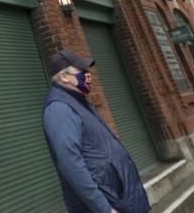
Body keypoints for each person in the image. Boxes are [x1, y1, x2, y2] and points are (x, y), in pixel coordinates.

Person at [42, 49, 150, 213]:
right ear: (64, 77)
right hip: (110, 204)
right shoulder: (59, 109)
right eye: (82, 71)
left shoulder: (78, 102)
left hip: (123, 200)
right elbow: (70, 164)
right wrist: (104, 209)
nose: (88, 75)